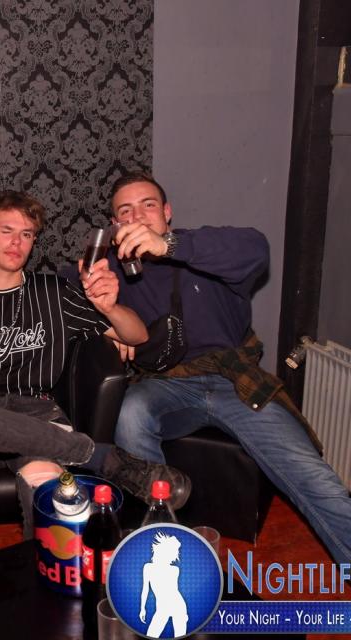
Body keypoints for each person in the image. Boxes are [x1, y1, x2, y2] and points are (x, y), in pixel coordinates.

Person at [0, 190, 191, 538]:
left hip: (36, 418)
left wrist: (109, 307)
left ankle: (43, 570)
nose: (16, 242)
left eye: (26, 234)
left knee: (52, 499)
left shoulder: (53, 292)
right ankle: (98, 456)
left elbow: (137, 335)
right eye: (6, 231)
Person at [107, 170, 351, 565]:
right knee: (130, 411)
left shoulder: (200, 249)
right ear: (115, 225)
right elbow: (67, 294)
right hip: (168, 383)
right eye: (125, 211)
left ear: (167, 212)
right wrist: (105, 323)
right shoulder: (114, 268)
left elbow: (256, 248)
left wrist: (169, 246)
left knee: (316, 478)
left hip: (234, 381)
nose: (137, 217)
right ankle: (164, 544)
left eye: (148, 205)